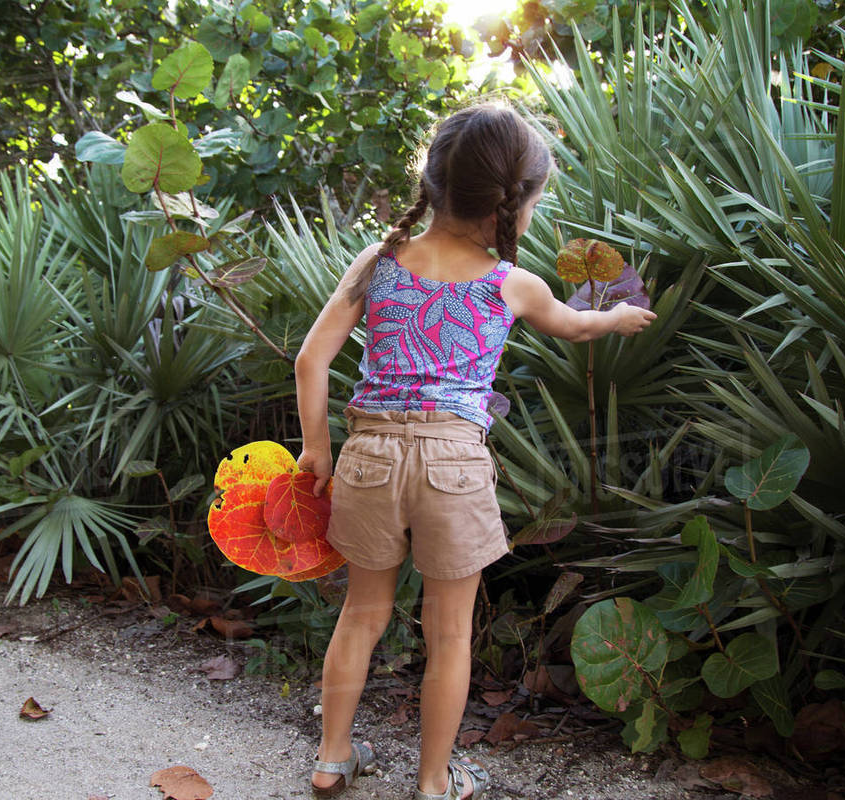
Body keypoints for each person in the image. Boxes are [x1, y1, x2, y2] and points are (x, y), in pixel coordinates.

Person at [293, 102, 656, 800]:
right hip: (452, 466)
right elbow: (577, 328)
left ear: (432, 183)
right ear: (511, 205)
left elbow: (312, 360)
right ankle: (433, 781)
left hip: (368, 457)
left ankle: (332, 759)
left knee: (361, 616)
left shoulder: (380, 261)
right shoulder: (511, 284)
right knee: (450, 635)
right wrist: (612, 317)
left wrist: (318, 451)